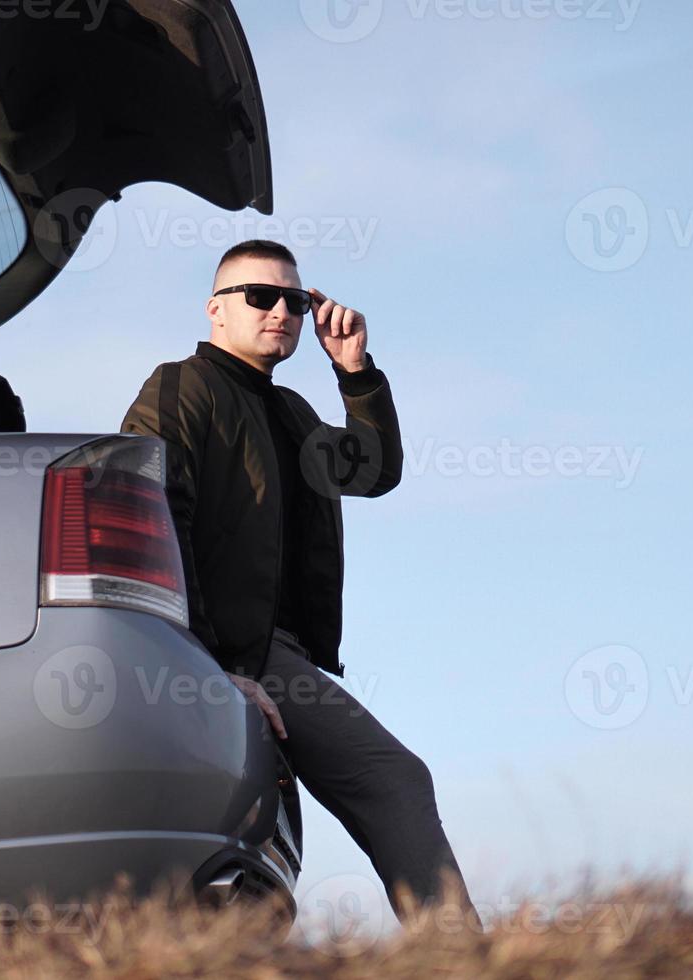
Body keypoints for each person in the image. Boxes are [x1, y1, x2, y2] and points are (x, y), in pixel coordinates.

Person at [122, 239, 475, 920]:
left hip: (270, 654)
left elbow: (372, 472)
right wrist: (212, 662)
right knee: (394, 777)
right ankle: (461, 955)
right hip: (226, 651)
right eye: (261, 296)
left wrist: (355, 372)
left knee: (251, 860)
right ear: (216, 310)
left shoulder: (293, 414)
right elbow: (158, 515)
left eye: (296, 299)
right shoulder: (182, 386)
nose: (281, 310)